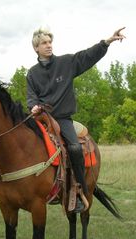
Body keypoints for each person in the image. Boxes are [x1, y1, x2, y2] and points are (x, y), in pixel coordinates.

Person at [27, 27, 126, 212]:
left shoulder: (66, 62)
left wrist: (107, 42)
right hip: (41, 118)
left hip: (62, 119)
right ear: (36, 48)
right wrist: (32, 106)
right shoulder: (32, 73)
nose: (48, 46)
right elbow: (31, 97)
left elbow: (87, 56)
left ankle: (79, 190)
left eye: (50, 42)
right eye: (44, 43)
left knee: (73, 147)